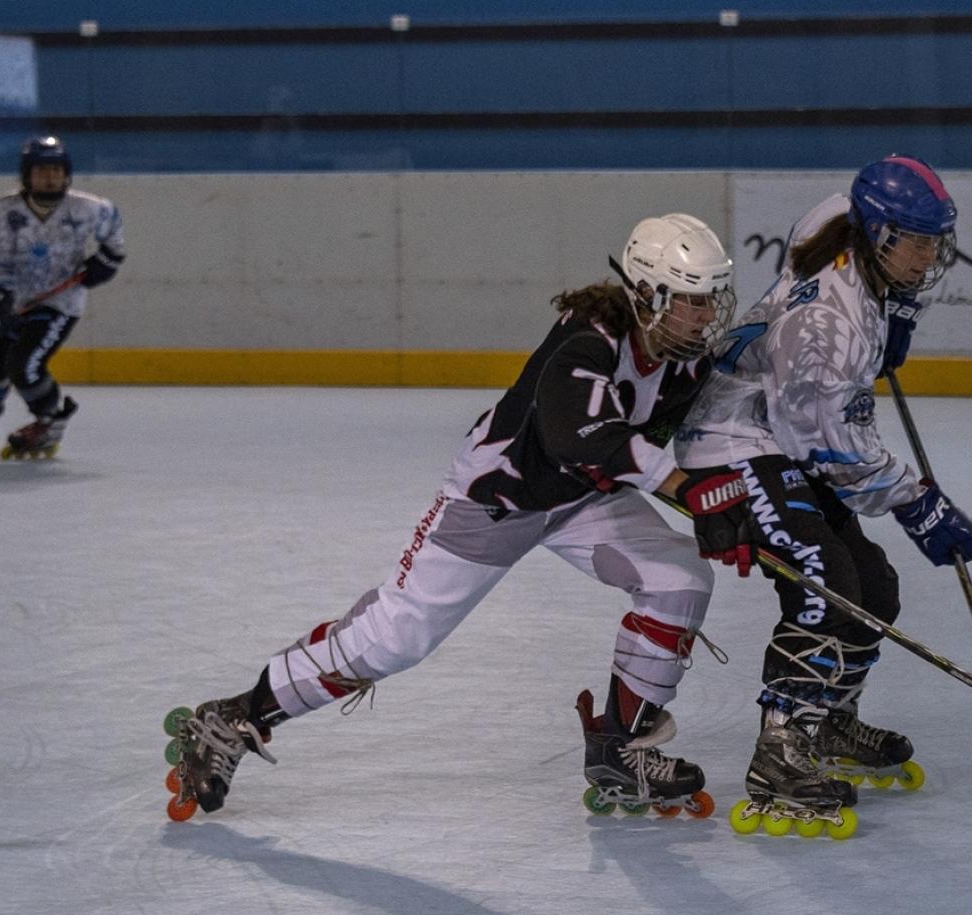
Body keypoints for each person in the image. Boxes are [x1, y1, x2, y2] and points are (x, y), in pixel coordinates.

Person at [163, 213, 760, 823]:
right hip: (497, 502)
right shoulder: (588, 342)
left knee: (679, 580)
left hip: (581, 502)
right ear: (648, 297)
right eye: (693, 300)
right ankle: (236, 718)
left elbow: (670, 436)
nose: (708, 314)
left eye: (711, 298)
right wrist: (691, 493)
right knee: (397, 638)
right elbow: (577, 439)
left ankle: (621, 747)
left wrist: (735, 498)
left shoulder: (681, 359)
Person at [675, 155, 972, 836]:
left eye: (935, 241)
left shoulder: (844, 227)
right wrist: (917, 501)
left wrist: (895, 310)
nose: (930, 257)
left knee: (875, 585)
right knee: (825, 580)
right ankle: (779, 751)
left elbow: (828, 210)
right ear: (878, 237)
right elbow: (837, 450)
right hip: (734, 437)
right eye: (919, 243)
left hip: (782, 431)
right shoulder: (825, 332)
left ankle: (828, 724)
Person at [0, 135, 125, 459]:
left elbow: (115, 234)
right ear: (26, 175)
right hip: (16, 302)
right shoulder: (6, 211)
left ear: (67, 174)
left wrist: (105, 263)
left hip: (59, 304)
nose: (50, 177)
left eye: (56, 171)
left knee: (25, 365)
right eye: (41, 171)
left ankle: (49, 422)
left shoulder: (89, 208)